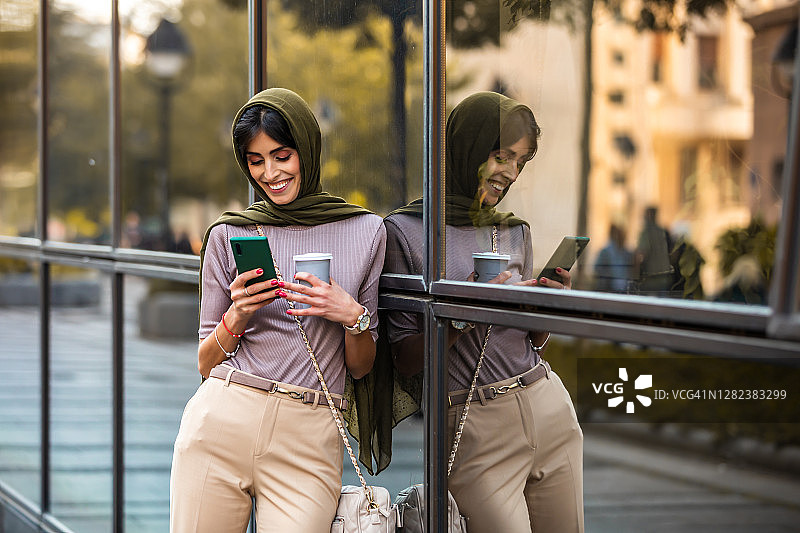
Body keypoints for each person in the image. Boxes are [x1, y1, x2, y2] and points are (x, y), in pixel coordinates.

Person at [169, 88, 386, 533]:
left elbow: (361, 369)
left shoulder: (366, 231)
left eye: (282, 155)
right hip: (221, 421)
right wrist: (239, 313)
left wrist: (351, 314)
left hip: (309, 435)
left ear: (306, 149)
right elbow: (206, 364)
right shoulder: (229, 234)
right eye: (255, 160)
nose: (270, 173)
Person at [383, 92, 584, 533]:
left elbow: (529, 339)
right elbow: (404, 359)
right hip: (472, 423)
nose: (510, 173)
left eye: (520, 162)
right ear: (469, 148)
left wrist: (545, 305)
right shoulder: (406, 232)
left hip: (547, 406)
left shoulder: (513, 231)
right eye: (501, 156)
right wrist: (461, 316)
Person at [594, 223, 633, 293]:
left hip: (623, 289)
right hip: (609, 288)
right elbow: (597, 268)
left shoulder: (626, 253)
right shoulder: (606, 252)